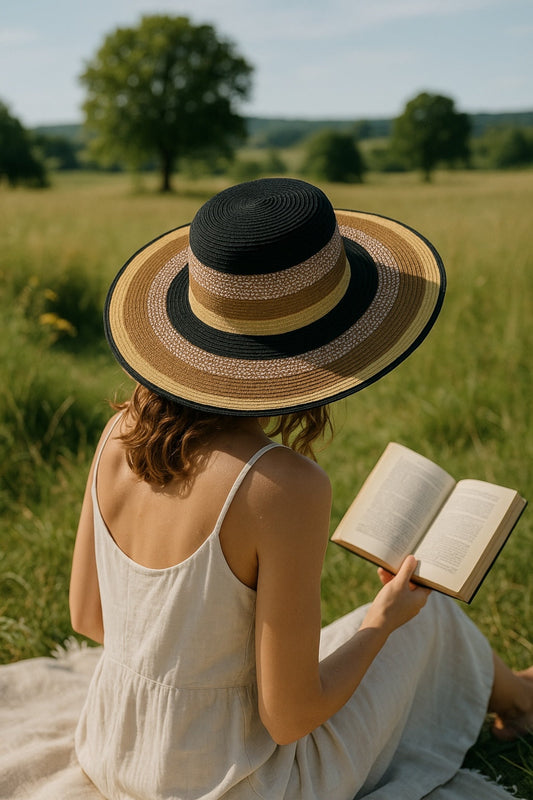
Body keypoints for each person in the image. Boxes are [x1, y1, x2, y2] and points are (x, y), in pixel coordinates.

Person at [70, 178, 532, 800]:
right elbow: (288, 718)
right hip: (237, 779)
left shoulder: (118, 431)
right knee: (428, 617)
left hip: (113, 746)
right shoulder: (280, 485)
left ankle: (520, 697)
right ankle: (522, 704)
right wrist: (381, 622)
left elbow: (89, 618)